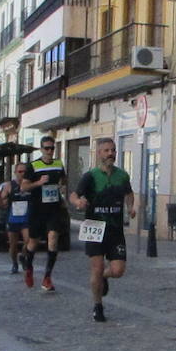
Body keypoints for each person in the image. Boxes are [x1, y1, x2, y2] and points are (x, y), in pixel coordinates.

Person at [69, 137, 135, 324]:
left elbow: (129, 194)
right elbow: (74, 194)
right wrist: (78, 202)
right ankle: (98, 306)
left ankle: (104, 277)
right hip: (94, 226)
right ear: (99, 154)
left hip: (115, 229)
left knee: (118, 270)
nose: (110, 154)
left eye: (113, 150)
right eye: (106, 150)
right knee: (96, 268)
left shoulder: (122, 176)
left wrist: (130, 207)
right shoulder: (90, 176)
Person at [20, 135, 67, 291]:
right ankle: (28, 265)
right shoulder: (33, 166)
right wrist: (38, 183)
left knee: (53, 239)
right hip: (37, 209)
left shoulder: (59, 164)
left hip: (53, 209)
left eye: (52, 148)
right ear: (41, 149)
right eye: (46, 148)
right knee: (33, 242)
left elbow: (63, 181)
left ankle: (47, 277)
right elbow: (24, 187)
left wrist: (62, 189)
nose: (49, 151)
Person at [0, 162, 32, 273]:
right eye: (20, 171)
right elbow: (2, 200)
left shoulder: (30, 185)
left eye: (24, 172)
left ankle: (23, 256)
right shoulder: (9, 185)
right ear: (15, 172)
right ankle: (14, 263)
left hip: (26, 218)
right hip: (13, 218)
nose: (22, 174)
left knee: (29, 241)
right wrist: (4, 200)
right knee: (13, 245)